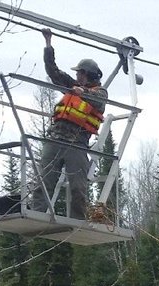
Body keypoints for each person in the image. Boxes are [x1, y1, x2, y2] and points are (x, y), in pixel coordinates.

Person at [35, 30, 108, 219]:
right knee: (44, 179)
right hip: (56, 139)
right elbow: (53, 72)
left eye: (81, 74)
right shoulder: (72, 85)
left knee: (78, 186)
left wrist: (80, 91)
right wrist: (48, 44)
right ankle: (36, 213)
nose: (78, 77)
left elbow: (98, 100)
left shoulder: (100, 92)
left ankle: (78, 220)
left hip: (76, 144)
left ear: (89, 75)